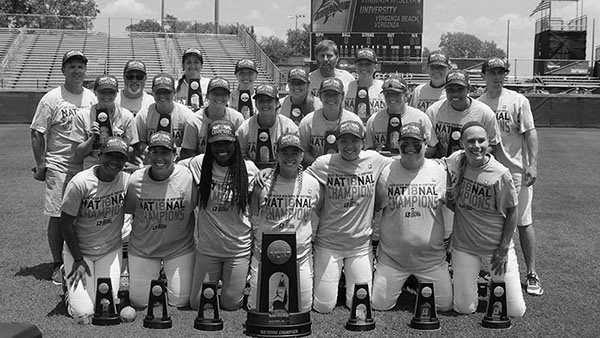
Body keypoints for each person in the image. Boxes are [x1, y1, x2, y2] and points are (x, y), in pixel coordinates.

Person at [306, 120, 390, 313]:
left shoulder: (374, 160)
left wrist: (440, 164)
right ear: (337, 142)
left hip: (359, 246)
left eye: (355, 141)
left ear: (363, 141)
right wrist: (270, 172)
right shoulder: (324, 163)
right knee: (323, 306)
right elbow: (299, 177)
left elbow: (404, 162)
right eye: (344, 141)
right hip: (328, 244)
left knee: (360, 306)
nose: (349, 146)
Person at [30, 50, 97, 284]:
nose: (77, 71)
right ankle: (58, 264)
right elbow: (37, 132)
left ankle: (81, 257)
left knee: (86, 214)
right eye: (72, 67)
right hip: (59, 165)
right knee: (58, 215)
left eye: (80, 67)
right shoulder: (52, 98)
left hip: (87, 164)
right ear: (63, 71)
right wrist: (41, 165)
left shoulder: (92, 97)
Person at [446, 121, 526, 317]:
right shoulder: (456, 160)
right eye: (470, 141)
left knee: (515, 311)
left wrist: (504, 248)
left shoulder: (500, 173)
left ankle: (492, 281)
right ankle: (476, 282)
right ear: (461, 144)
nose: (476, 146)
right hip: (464, 247)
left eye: (481, 140)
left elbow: (512, 212)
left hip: (496, 247)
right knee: (465, 308)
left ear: (488, 142)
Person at [478, 57, 542, 296]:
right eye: (492, 72)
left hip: (516, 172)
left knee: (524, 222)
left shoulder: (518, 100)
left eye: (501, 72)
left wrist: (532, 165)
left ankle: (532, 272)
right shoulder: (479, 103)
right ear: (484, 74)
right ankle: (491, 270)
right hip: (489, 173)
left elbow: (530, 134)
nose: (497, 76)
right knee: (490, 222)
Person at [372, 123, 452, 311]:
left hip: (431, 260)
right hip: (393, 260)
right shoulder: (386, 171)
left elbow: (451, 209)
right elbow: (376, 209)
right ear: (398, 144)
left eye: (416, 142)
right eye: (405, 142)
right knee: (378, 305)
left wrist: (450, 240)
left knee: (444, 306)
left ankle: (416, 280)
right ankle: (406, 279)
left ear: (425, 144)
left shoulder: (440, 170)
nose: (410, 147)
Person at [187, 120, 260, 311]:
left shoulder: (249, 169)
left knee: (231, 304)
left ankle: (230, 285)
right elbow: (168, 166)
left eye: (227, 143)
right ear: (209, 144)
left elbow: (265, 185)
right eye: (217, 143)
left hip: (237, 249)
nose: (222, 148)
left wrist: (269, 170)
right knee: (198, 304)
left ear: (234, 143)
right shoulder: (198, 164)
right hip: (208, 249)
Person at [248, 132, 322, 312]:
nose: (290, 158)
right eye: (285, 153)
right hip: (264, 256)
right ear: (276, 154)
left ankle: (285, 288)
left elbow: (318, 212)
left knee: (303, 309)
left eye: (295, 153)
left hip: (300, 257)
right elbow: (254, 216)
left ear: (302, 155)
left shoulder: (312, 183)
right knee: (257, 308)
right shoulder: (262, 182)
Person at [59, 137, 130, 323]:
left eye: (120, 157)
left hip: (109, 250)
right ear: (99, 155)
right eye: (110, 155)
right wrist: (77, 259)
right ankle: (68, 288)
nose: (114, 161)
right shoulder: (80, 183)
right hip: (80, 252)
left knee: (105, 307)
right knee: (83, 312)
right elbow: (65, 223)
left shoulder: (126, 180)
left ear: (125, 161)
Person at [124, 131, 197, 308]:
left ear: (175, 154)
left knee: (180, 301)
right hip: (144, 249)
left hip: (179, 249)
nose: (159, 158)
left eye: (165, 152)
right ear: (148, 153)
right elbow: (130, 209)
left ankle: (167, 276)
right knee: (139, 303)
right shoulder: (136, 180)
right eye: (154, 152)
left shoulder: (188, 177)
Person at [426, 69, 502, 159]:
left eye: (460, 89)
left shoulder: (485, 113)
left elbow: (493, 145)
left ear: (468, 89)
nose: (455, 94)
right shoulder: (433, 111)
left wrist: (470, 159)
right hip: (441, 166)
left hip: (472, 167)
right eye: (450, 89)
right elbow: (429, 145)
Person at [71, 74, 139, 170]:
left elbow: (132, 149)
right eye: (102, 91)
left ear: (116, 93)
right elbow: (77, 154)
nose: (106, 95)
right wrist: (92, 139)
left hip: (117, 168)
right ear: (95, 92)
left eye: (111, 92)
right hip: (91, 169)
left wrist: (117, 144)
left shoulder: (126, 116)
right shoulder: (82, 115)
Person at [298, 77, 363, 167]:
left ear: (343, 96)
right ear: (320, 96)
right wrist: (321, 166)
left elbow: (360, 151)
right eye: (327, 94)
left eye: (335, 94)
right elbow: (303, 150)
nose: (331, 98)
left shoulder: (354, 121)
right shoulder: (308, 121)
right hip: (317, 171)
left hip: (347, 170)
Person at [365, 76, 436, 155]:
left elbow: (432, 147)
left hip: (411, 165)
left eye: (396, 94)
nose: (391, 97)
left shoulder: (420, 118)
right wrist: (378, 153)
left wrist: (413, 154)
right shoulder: (374, 120)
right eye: (387, 94)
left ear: (406, 95)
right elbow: (368, 149)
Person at [180, 76, 244, 159]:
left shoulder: (237, 119)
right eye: (215, 93)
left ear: (229, 97)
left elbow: (241, 150)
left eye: (223, 94)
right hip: (201, 166)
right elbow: (188, 151)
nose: (219, 97)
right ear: (207, 96)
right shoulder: (194, 120)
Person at [236, 84, 298, 169]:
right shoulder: (244, 128)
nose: (265, 104)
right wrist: (254, 170)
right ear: (256, 104)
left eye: (269, 100)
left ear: (277, 103)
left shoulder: (289, 128)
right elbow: (240, 155)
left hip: (282, 172)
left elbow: (296, 157)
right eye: (261, 101)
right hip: (252, 173)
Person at [135, 73, 194, 160]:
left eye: (167, 92)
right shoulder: (143, 115)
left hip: (179, 162)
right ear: (153, 92)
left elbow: (189, 147)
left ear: (174, 92)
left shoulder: (187, 115)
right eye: (159, 92)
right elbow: (140, 143)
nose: (162, 95)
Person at [344, 48, 385, 123]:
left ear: (375, 66)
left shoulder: (383, 88)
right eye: (360, 64)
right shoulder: (346, 88)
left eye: (368, 64)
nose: (364, 67)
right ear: (355, 66)